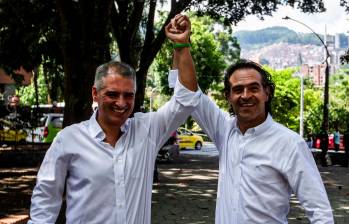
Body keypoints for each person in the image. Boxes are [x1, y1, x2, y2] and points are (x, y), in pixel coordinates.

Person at [28, 14, 199, 224]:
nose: (121, 103)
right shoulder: (69, 139)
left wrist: (182, 44)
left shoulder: (147, 131)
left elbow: (187, 99)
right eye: (112, 94)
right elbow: (46, 197)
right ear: (94, 94)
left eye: (129, 95)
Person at [179, 59, 332, 223]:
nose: (245, 96)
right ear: (228, 96)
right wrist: (181, 44)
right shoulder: (224, 130)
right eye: (238, 90)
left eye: (253, 88)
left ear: (266, 93)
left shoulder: (290, 143)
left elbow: (320, 211)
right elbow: (190, 93)